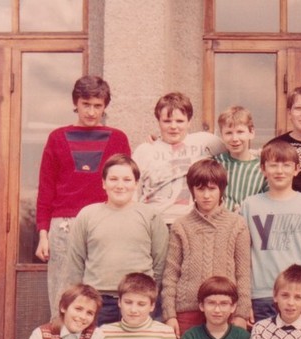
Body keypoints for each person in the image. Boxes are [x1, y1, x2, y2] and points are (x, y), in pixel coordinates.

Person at [35, 75, 131, 317]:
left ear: (105, 106)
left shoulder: (118, 138)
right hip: (64, 225)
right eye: (85, 104)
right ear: (75, 103)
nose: (91, 112)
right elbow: (46, 188)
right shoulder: (57, 137)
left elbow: (127, 184)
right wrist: (43, 233)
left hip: (105, 222)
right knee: (64, 294)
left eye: (98, 106)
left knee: (101, 295)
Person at [66, 154, 168, 326]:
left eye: (127, 180)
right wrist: (80, 299)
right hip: (97, 301)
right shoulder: (87, 215)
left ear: (136, 184)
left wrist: (148, 294)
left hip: (138, 302)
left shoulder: (150, 215)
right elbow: (75, 262)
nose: (120, 185)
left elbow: (161, 261)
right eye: (113, 179)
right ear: (104, 183)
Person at [161, 158, 251, 338]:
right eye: (200, 189)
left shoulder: (237, 224)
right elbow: (171, 274)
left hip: (226, 309)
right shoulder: (181, 225)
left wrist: (241, 313)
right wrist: (169, 315)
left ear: (221, 189)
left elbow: (243, 273)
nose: (206, 195)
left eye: (212, 188)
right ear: (192, 190)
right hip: (188, 311)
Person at [241, 140, 301, 322]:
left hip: (299, 295)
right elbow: (243, 257)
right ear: (263, 169)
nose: (280, 171)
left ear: (296, 169)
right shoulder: (250, 205)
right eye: (273, 165)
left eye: (286, 165)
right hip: (261, 296)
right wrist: (244, 299)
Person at [133, 92, 226, 225]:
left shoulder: (205, 141)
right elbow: (134, 191)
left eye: (180, 121)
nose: (173, 126)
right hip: (154, 222)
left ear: (189, 122)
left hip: (192, 222)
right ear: (158, 122)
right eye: (167, 121)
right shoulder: (144, 150)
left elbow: (235, 151)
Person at [214, 105, 268, 213]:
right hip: (220, 220)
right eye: (228, 133)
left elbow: (270, 200)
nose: (235, 138)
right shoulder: (216, 163)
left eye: (240, 132)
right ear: (222, 136)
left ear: (251, 133)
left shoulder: (263, 167)